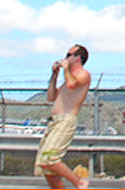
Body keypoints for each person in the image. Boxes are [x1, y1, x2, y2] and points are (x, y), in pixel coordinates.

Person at [34, 45, 91, 189]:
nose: (65, 58)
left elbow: (73, 85)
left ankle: (79, 182)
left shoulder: (83, 75)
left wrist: (66, 69)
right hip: (55, 121)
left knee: (50, 159)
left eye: (69, 54)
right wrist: (55, 74)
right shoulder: (67, 80)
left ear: (78, 58)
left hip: (66, 120)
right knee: (45, 167)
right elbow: (51, 96)